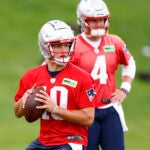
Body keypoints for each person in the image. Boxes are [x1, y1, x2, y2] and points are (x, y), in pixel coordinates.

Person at [13, 19, 96, 150]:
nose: (64, 50)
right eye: (57, 46)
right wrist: (25, 100)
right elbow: (17, 112)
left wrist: (55, 109)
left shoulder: (83, 78)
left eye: (67, 45)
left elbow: (88, 118)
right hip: (43, 141)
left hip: (72, 140)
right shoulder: (31, 76)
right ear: (45, 47)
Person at [71, 0, 136, 150]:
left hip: (109, 109)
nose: (100, 24)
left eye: (102, 20)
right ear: (82, 20)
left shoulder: (115, 41)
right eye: (94, 21)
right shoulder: (73, 45)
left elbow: (130, 63)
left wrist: (124, 88)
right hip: (85, 112)